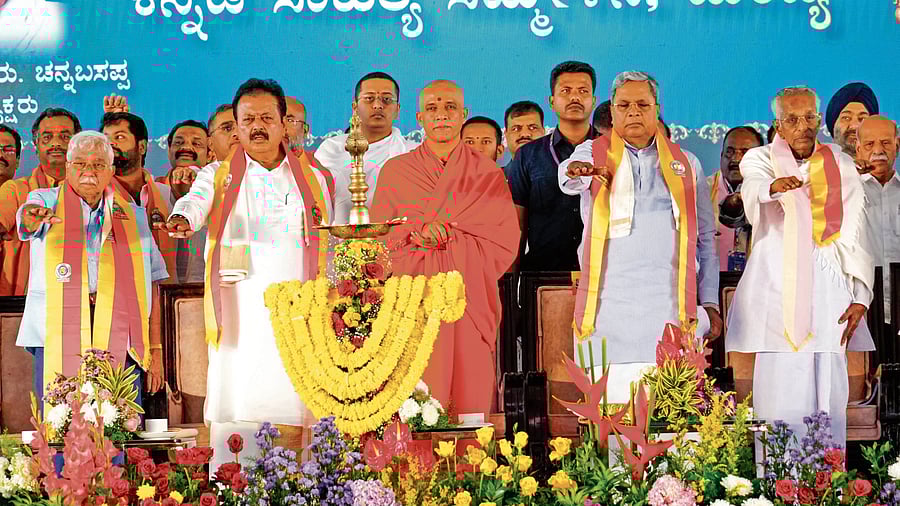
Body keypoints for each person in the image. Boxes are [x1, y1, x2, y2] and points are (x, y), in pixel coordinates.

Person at [161, 78, 334, 472]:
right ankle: (235, 488)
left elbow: (330, 242)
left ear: (284, 123)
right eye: (248, 119)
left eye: (267, 118)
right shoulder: (217, 176)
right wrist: (182, 218)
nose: (258, 126)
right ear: (236, 127)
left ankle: (297, 490)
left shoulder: (313, 180)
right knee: (236, 404)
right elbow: (194, 202)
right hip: (240, 317)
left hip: (298, 319)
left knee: (296, 403)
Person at [726, 86, 874, 447]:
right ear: (777, 124)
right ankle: (776, 491)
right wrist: (774, 187)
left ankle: (826, 489)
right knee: (778, 400)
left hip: (829, 297)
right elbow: (754, 188)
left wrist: (861, 295)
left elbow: (856, 229)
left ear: (819, 120)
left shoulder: (839, 163)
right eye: (791, 119)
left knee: (828, 397)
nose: (802, 126)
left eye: (809, 117)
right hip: (776, 296)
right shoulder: (759, 158)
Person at [558, 71, 720, 399]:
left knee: (674, 428)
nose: (634, 111)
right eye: (625, 104)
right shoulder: (592, 153)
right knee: (612, 424)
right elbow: (568, 176)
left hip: (670, 312)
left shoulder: (686, 163)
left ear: (656, 109)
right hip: (607, 315)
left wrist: (712, 301)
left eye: (642, 104)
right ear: (613, 112)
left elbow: (705, 238)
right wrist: (579, 172)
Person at [371, 79, 519, 415]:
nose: (442, 116)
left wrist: (448, 239)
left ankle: (472, 468)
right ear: (419, 117)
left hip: (468, 301)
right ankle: (413, 468)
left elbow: (503, 242)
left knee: (471, 393)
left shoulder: (487, 173)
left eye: (450, 108)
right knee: (416, 395)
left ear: (463, 115)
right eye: (433, 109)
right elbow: (380, 240)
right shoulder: (395, 171)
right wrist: (415, 234)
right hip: (414, 302)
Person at [15, 130, 167, 409]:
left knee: (118, 423)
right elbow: (28, 218)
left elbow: (153, 281)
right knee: (59, 421)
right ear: (67, 168)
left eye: (98, 164)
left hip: (122, 328)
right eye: (80, 163)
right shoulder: (45, 200)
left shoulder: (133, 214)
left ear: (110, 170)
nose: (89, 171)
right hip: (56, 326)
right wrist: (30, 217)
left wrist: (155, 348)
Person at [506, 61, 599, 272]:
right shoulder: (528, 155)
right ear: (551, 101)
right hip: (543, 273)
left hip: (603, 274)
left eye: (583, 91)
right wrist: (511, 284)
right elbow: (517, 225)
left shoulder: (612, 150)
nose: (575, 97)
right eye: (565, 91)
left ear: (593, 101)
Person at [315, 72, 416, 225]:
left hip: (393, 242)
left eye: (387, 99)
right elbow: (316, 200)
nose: (377, 105)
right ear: (355, 107)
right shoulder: (332, 149)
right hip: (338, 242)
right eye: (369, 98)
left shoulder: (413, 153)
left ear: (397, 110)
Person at [0, 108, 81, 295]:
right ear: (36, 146)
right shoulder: (15, 190)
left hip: (82, 300)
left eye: (65, 137)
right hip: (22, 304)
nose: (55, 144)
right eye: (47, 138)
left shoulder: (95, 193)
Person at [857, 115, 900, 336]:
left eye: (885, 142)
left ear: (897, 145)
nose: (878, 150)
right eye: (869, 144)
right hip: (860, 315)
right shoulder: (847, 193)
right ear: (857, 149)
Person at [707, 126, 765, 271]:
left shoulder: (770, 192)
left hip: (757, 282)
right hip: (712, 283)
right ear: (721, 156)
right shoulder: (702, 191)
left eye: (745, 153)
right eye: (729, 152)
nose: (735, 159)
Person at [158, 120, 210, 200]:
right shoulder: (152, 189)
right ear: (169, 151)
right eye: (178, 142)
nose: (186, 147)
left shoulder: (218, 188)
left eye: (197, 144)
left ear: (209, 155)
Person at [825, 82, 879, 158]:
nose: (855, 126)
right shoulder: (813, 168)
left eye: (863, 119)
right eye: (846, 118)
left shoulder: (886, 169)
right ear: (833, 126)